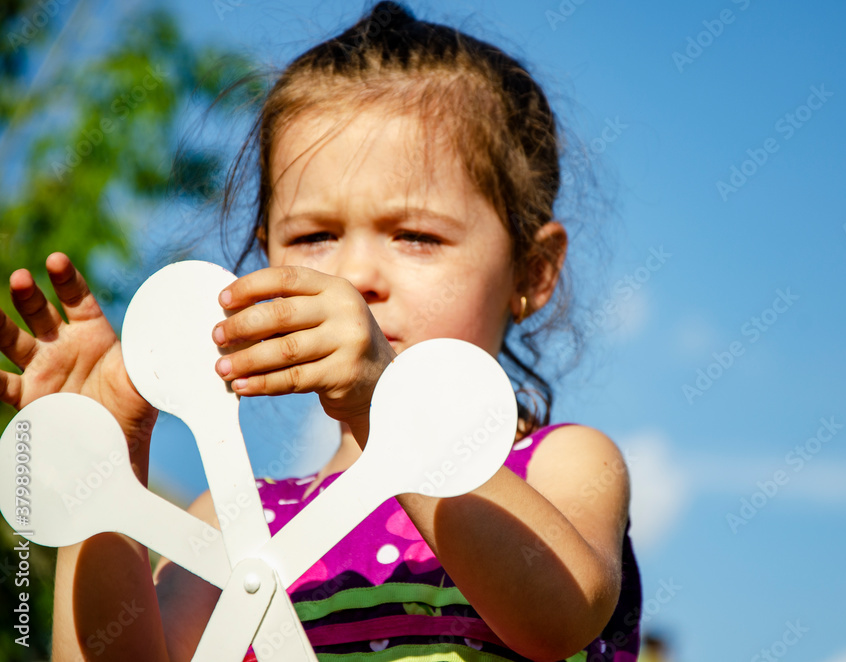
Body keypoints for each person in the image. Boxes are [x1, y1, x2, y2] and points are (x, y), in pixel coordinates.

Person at [0, 3, 641, 660]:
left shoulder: (560, 466)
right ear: (266, 256)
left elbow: (558, 618)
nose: (354, 276)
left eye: (416, 236)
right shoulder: (230, 518)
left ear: (532, 273)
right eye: (313, 237)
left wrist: (386, 400)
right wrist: (102, 466)